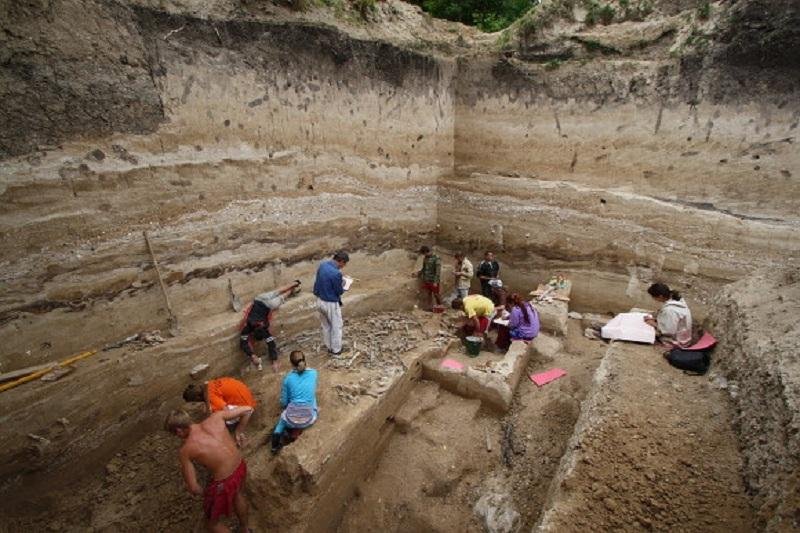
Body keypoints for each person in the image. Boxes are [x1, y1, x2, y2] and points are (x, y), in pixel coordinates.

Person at [164, 408, 254, 533]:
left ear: (178, 430)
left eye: (174, 433)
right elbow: (247, 410)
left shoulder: (186, 450)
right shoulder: (216, 417)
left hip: (225, 481)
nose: (177, 436)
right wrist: (239, 432)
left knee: (212, 524)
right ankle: (245, 529)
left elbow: (194, 488)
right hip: (240, 465)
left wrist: (209, 494)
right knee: (238, 494)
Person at [240, 281, 301, 372]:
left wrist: (274, 362)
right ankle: (294, 283)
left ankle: (292, 290)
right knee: (277, 291)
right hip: (259, 299)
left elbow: (244, 342)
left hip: (268, 304)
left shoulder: (255, 328)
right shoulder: (252, 325)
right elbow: (270, 345)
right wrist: (253, 355)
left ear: (252, 333)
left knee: (281, 297)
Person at [183, 378, 256, 447]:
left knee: (218, 416)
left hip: (246, 404)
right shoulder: (210, 385)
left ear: (197, 398)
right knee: (210, 410)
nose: (197, 403)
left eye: (195, 401)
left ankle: (239, 431)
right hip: (246, 396)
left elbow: (226, 411)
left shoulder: (210, 396)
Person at [271, 350, 318, 454]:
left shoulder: (287, 379)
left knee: (281, 422)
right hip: (309, 419)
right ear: (305, 361)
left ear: (291, 364)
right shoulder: (314, 373)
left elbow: (284, 402)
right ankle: (296, 432)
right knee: (312, 398)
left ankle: (274, 445)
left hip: (290, 419)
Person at [313, 251, 349, 356]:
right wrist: (344, 284)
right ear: (341, 261)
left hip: (320, 300)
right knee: (337, 326)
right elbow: (339, 291)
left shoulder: (323, 265)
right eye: (344, 264)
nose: (343, 267)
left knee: (326, 326)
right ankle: (336, 350)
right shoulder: (336, 273)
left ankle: (329, 347)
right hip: (331, 304)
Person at [644, 283, 693, 348]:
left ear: (660, 296)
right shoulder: (678, 299)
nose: (654, 299)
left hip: (679, 342)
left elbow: (669, 331)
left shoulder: (670, 310)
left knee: (648, 331)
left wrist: (653, 323)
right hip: (685, 337)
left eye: (653, 297)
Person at [416, 245, 442, 310]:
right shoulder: (425, 258)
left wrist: (436, 281)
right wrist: (419, 273)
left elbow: (438, 271)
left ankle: (440, 306)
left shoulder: (436, 258)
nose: (424, 255)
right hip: (426, 280)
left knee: (436, 294)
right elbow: (424, 268)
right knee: (428, 294)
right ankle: (430, 307)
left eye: (424, 253)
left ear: (427, 251)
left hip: (433, 280)